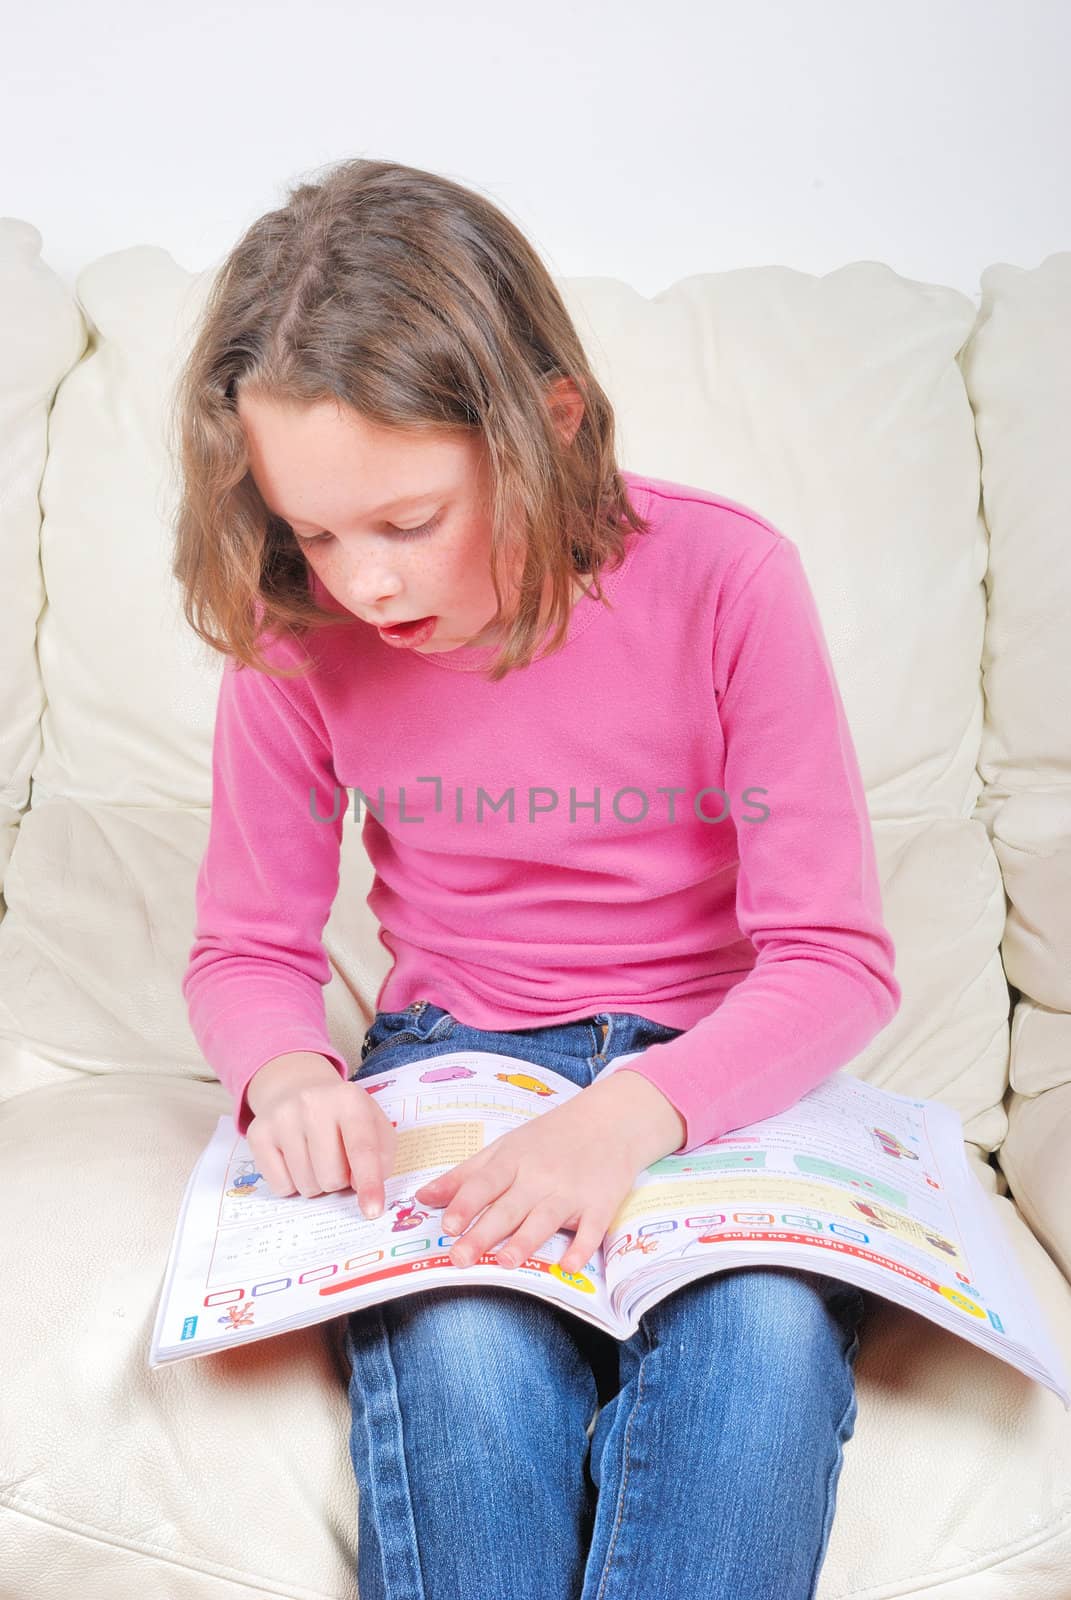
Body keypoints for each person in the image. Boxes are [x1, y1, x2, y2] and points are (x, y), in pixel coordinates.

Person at [173, 157, 900, 1600]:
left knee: (757, 1340)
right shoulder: (299, 632)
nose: (362, 584)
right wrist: (288, 1079)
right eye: (314, 530)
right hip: (460, 1069)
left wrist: (629, 1118)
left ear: (547, 426)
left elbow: (835, 959)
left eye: (406, 522)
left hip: (715, 1077)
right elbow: (246, 950)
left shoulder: (729, 579)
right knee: (457, 1351)